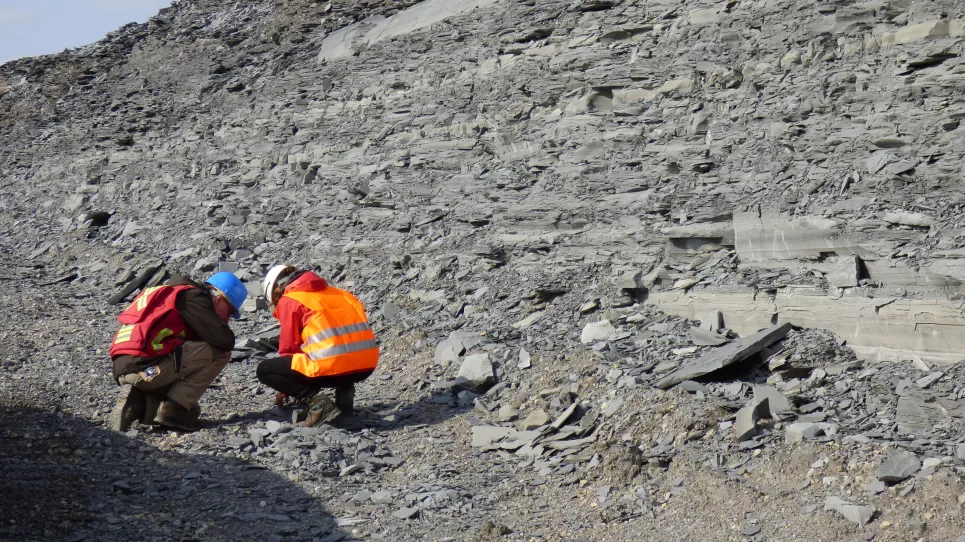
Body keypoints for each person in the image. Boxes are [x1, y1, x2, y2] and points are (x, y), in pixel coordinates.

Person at [108, 272, 247, 432]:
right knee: (221, 353)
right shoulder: (194, 298)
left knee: (192, 410)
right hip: (147, 368)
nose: (227, 319)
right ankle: (173, 409)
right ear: (219, 299)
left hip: (123, 369)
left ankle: (138, 400)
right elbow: (225, 341)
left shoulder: (168, 292)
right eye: (229, 312)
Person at [256, 264, 378, 427]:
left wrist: (288, 388)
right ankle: (345, 394)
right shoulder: (342, 294)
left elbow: (289, 350)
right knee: (335, 353)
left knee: (264, 370)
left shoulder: (291, 300)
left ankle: (319, 404)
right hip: (365, 367)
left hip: (332, 368)